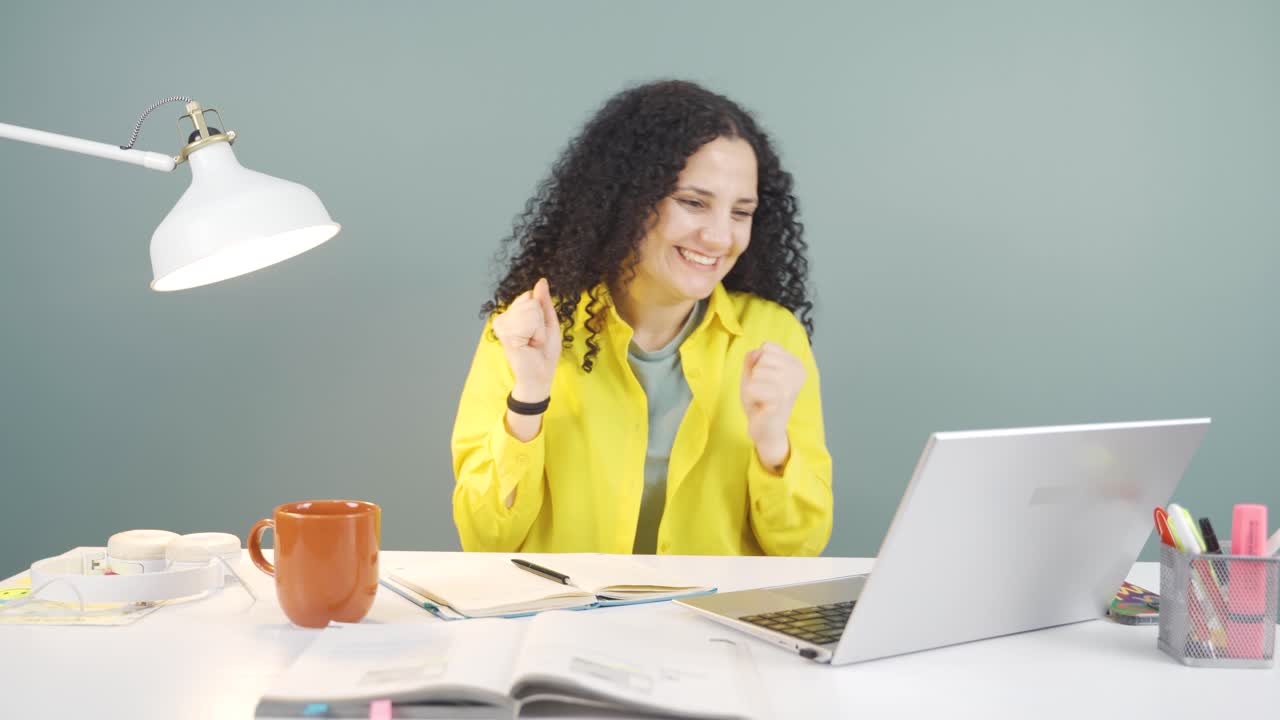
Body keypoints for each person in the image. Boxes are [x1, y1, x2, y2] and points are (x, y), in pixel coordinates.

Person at [451, 80, 832, 556]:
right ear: (627, 201)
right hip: (566, 623)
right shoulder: (528, 332)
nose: (718, 236)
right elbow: (485, 539)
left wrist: (773, 444)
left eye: (741, 212)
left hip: (713, 626)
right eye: (692, 202)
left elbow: (799, 549)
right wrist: (528, 399)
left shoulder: (773, 336)